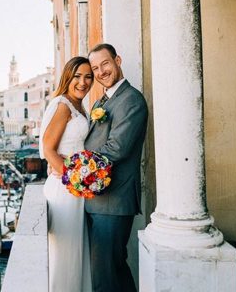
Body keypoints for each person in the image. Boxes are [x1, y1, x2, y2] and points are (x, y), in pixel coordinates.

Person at [85, 43, 148, 292]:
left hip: (114, 199)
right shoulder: (104, 100)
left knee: (105, 277)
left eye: (105, 64)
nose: (101, 71)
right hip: (98, 198)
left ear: (117, 60)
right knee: (114, 270)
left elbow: (117, 148)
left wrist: (77, 169)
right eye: (95, 68)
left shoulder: (131, 100)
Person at [39, 56, 93, 292]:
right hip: (66, 189)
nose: (83, 82)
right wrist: (75, 182)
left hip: (75, 188)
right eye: (77, 76)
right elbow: (48, 149)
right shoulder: (63, 105)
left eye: (88, 77)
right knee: (66, 255)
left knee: (75, 253)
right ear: (67, 78)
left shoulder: (79, 105)